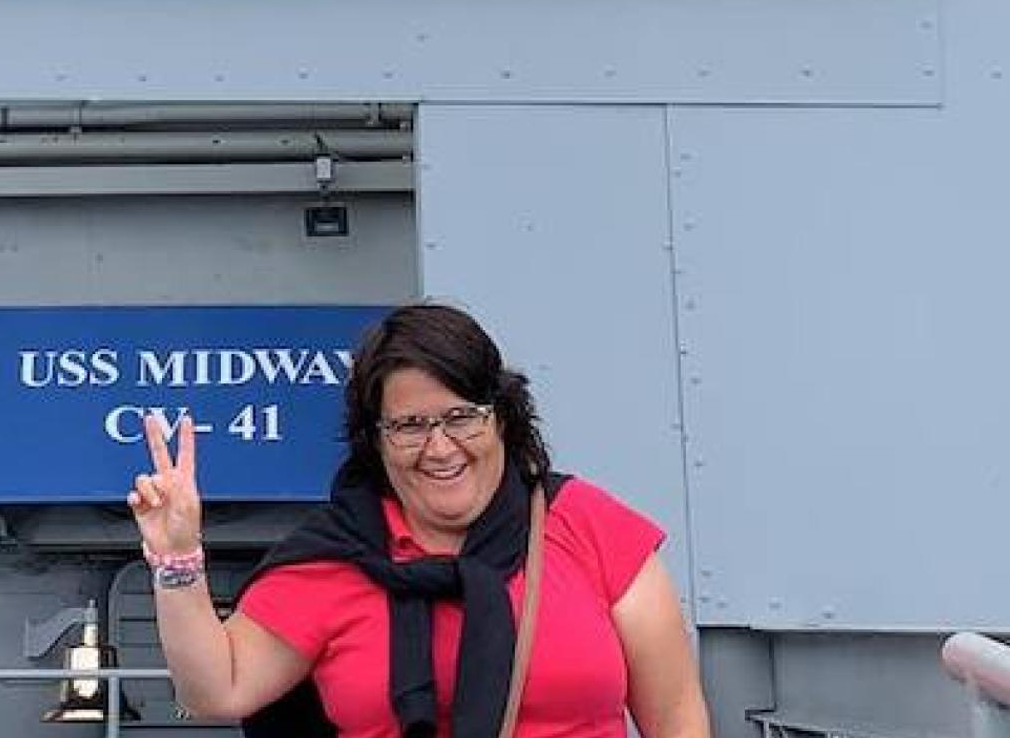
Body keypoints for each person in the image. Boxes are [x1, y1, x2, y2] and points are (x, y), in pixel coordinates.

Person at [128, 304, 708, 738]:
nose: (439, 448)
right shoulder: (335, 558)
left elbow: (677, 716)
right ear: (374, 440)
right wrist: (177, 559)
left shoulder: (588, 524)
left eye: (461, 417)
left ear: (502, 418)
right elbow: (217, 690)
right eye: (409, 426)